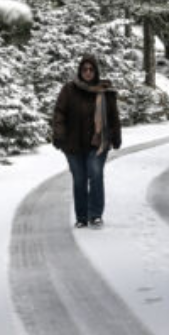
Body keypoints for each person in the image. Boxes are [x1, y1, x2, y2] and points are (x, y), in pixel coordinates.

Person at [51, 54, 121, 229]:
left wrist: (116, 136)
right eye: (84, 69)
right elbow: (59, 113)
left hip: (98, 143)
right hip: (73, 144)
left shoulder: (105, 92)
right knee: (79, 180)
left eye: (91, 69)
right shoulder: (69, 90)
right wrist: (59, 134)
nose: (88, 72)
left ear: (96, 71)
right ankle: (81, 217)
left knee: (95, 174)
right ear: (80, 71)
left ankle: (95, 214)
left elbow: (113, 117)